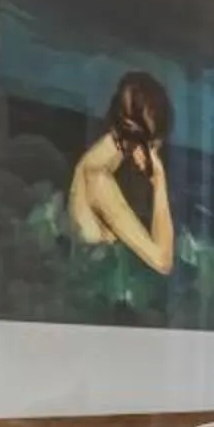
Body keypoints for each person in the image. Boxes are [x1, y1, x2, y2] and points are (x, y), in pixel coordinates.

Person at [67, 70, 176, 275]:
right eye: (155, 147)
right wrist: (159, 181)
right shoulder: (99, 181)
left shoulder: (91, 164)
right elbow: (163, 262)